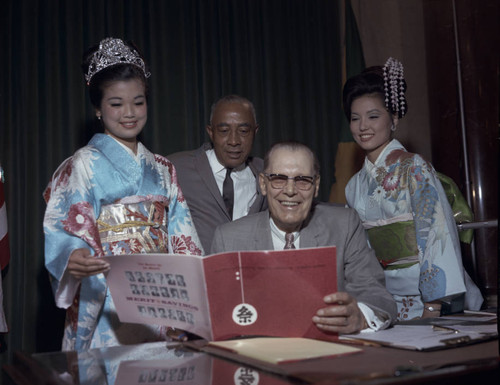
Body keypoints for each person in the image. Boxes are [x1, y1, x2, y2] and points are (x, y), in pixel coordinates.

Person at [43, 37, 203, 351]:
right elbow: (66, 229)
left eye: (138, 102)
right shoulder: (82, 165)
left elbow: (184, 241)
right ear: (98, 109)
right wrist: (73, 256)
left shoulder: (162, 168)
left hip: (160, 296)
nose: (129, 112)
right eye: (116, 104)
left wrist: (194, 297)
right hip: (106, 296)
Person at [343, 57, 483, 320]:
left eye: (373, 116)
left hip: (427, 298)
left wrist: (433, 306)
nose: (363, 126)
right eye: (355, 118)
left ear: (394, 118)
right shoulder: (353, 186)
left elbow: (437, 235)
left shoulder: (414, 168)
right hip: (383, 295)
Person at [212, 142, 397, 334]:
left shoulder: (344, 226)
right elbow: (215, 315)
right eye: (279, 179)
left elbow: (378, 297)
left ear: (316, 186)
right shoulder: (228, 239)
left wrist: (360, 317)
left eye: (302, 180)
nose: (290, 190)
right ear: (263, 184)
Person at [168, 95, 267, 252]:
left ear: (255, 131)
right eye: (224, 131)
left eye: (243, 131)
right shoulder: (176, 167)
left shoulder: (268, 173)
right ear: (211, 132)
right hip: (195, 273)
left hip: (247, 273)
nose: (234, 141)